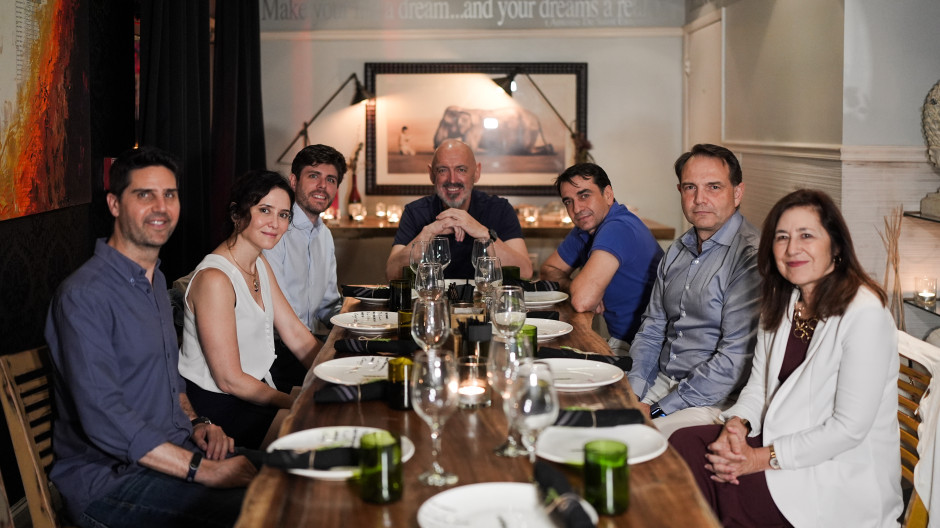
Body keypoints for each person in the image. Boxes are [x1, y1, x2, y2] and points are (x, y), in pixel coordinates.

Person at [45, 146, 256, 528]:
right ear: (114, 204)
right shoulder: (84, 295)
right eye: (145, 194)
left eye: (169, 195)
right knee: (267, 508)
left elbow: (172, 384)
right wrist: (203, 470)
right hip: (110, 483)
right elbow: (103, 417)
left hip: (173, 450)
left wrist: (197, 423)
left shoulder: (155, 279)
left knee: (296, 475)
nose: (161, 206)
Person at [670, 189, 902, 527]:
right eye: (782, 237)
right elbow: (758, 389)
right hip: (780, 443)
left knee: (726, 483)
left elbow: (848, 431)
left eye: (806, 235)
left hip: (834, 473)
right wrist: (737, 427)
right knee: (687, 444)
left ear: (835, 245)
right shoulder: (785, 300)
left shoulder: (865, 313)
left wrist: (757, 459)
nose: (793, 248)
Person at [179, 170, 320, 449]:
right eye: (264, 210)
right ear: (236, 214)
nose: (275, 223)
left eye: (283, 214)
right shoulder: (214, 279)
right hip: (220, 409)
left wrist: (335, 376)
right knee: (318, 438)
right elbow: (229, 380)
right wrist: (297, 401)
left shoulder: (259, 263)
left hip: (254, 392)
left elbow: (294, 333)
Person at [627, 144, 761, 438]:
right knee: (589, 422)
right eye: (690, 188)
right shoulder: (677, 250)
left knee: (637, 443)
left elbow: (733, 361)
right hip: (663, 382)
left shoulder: (750, 258)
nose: (700, 199)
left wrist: (659, 409)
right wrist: (633, 394)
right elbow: (652, 329)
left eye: (714, 187)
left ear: (737, 193)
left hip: (715, 399)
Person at [539, 163, 663, 352]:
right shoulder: (585, 229)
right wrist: (574, 285)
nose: (577, 208)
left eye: (584, 196)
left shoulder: (617, 227)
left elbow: (582, 301)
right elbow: (549, 269)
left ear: (608, 195)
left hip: (646, 350)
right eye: (568, 201)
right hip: (625, 341)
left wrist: (586, 289)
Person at [385, 139, 533, 280]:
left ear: (476, 173)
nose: (453, 179)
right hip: (431, 302)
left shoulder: (500, 209)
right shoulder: (415, 212)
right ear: (431, 175)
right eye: (443, 170)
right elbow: (391, 273)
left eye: (461, 170)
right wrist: (428, 233)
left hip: (486, 303)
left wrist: (483, 233)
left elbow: (525, 272)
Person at [263, 144, 344, 391]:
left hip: (305, 342)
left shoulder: (325, 236)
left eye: (330, 179)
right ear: (294, 180)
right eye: (313, 176)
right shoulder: (274, 230)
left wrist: (360, 324)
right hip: (272, 353)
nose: (322, 186)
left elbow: (328, 305)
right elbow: (276, 316)